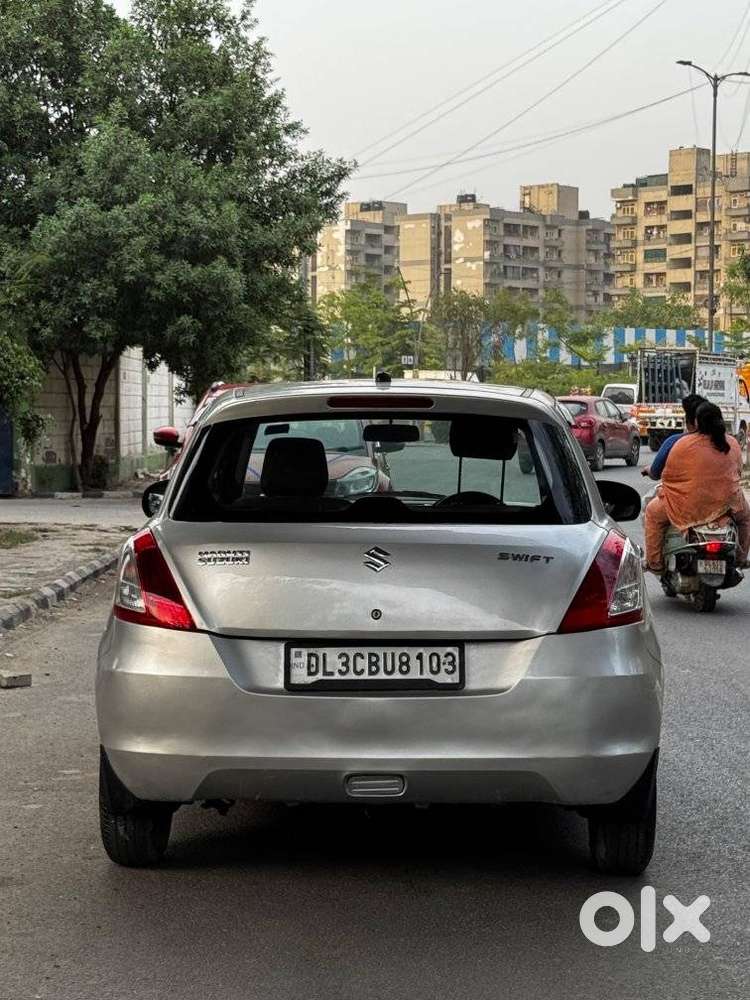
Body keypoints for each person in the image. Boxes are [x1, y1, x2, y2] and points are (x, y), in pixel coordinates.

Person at [644, 401, 750, 573]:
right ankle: (741, 558)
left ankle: (654, 563)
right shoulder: (732, 443)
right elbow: (737, 472)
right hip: (727, 505)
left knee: (652, 513)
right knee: (745, 518)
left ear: (696, 422)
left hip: (686, 505)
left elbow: (668, 477)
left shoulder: (682, 444)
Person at [641, 394, 707, 481]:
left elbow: (655, 474)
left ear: (688, 422)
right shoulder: (729, 443)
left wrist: (648, 469)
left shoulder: (674, 442)